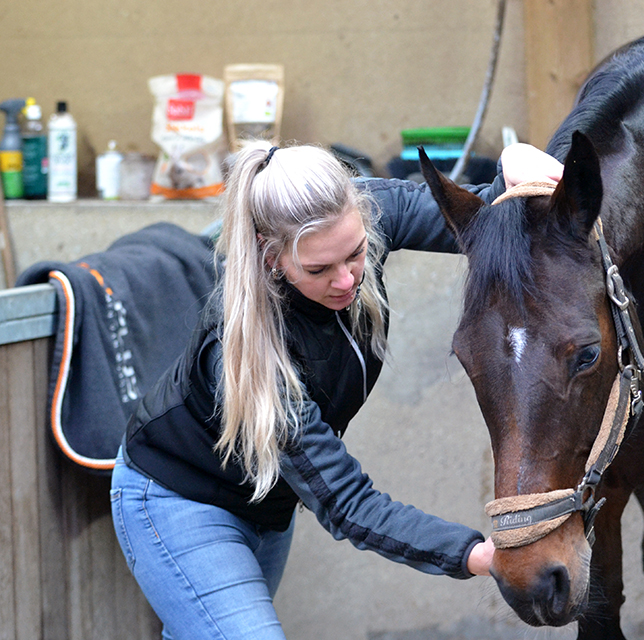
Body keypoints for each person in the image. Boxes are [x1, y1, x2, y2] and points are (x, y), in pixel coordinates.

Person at [110, 139, 564, 639]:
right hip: (178, 499)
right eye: (319, 269)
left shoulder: (364, 212)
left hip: (267, 504)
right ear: (270, 256)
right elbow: (347, 503)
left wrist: (514, 168)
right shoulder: (250, 352)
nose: (347, 280)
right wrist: (478, 554)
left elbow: (484, 223)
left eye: (356, 254)